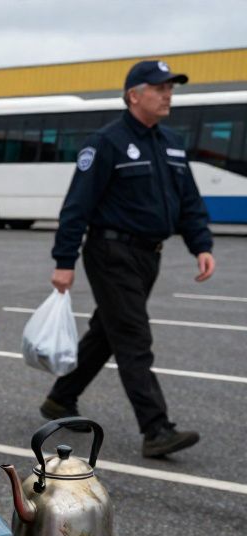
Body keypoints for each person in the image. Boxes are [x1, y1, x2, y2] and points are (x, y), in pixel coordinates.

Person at [40, 60, 215, 459]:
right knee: (134, 335)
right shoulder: (107, 143)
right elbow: (77, 206)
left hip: (149, 255)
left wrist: (201, 244)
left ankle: (59, 398)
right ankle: (156, 428)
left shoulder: (170, 142)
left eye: (171, 87)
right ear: (134, 94)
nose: (168, 94)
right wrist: (63, 260)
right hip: (110, 252)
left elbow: (189, 200)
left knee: (109, 331)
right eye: (160, 87)